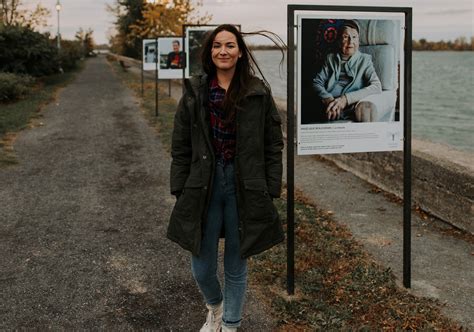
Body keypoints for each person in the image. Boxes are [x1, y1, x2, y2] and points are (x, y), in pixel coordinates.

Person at [167, 24, 284, 331]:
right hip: (203, 183)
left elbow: (273, 144)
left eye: (230, 45)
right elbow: (180, 145)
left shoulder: (257, 92)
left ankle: (231, 324)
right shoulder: (195, 91)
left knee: (236, 261)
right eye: (217, 45)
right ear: (210, 52)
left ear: (240, 52)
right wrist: (180, 187)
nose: (223, 51)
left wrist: (270, 188)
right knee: (202, 265)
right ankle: (216, 307)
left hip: (243, 185)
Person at [313, 19, 382, 122]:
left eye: (354, 37)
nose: (351, 42)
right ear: (339, 41)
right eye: (346, 37)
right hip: (329, 106)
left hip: (351, 107)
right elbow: (317, 82)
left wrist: (345, 99)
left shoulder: (365, 60)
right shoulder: (330, 58)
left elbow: (377, 86)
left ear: (358, 41)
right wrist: (329, 99)